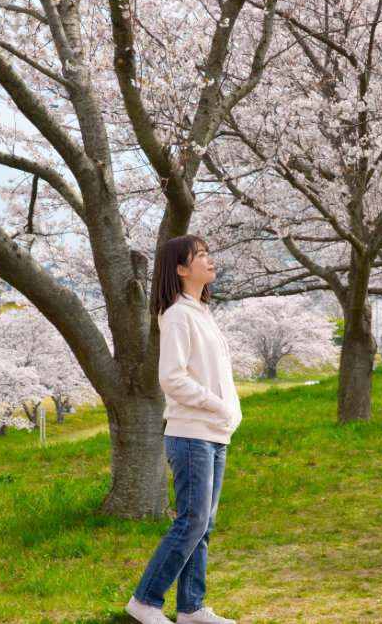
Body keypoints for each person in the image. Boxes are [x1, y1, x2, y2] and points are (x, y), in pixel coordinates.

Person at [126, 236, 241, 624]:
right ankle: (145, 601)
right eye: (201, 255)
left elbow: (215, 374)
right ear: (180, 269)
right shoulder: (177, 314)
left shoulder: (201, 312)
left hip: (213, 433)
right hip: (192, 434)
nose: (210, 260)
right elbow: (172, 379)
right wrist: (218, 405)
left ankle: (191, 608)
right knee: (191, 522)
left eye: (208, 253)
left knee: (202, 526)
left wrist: (230, 412)